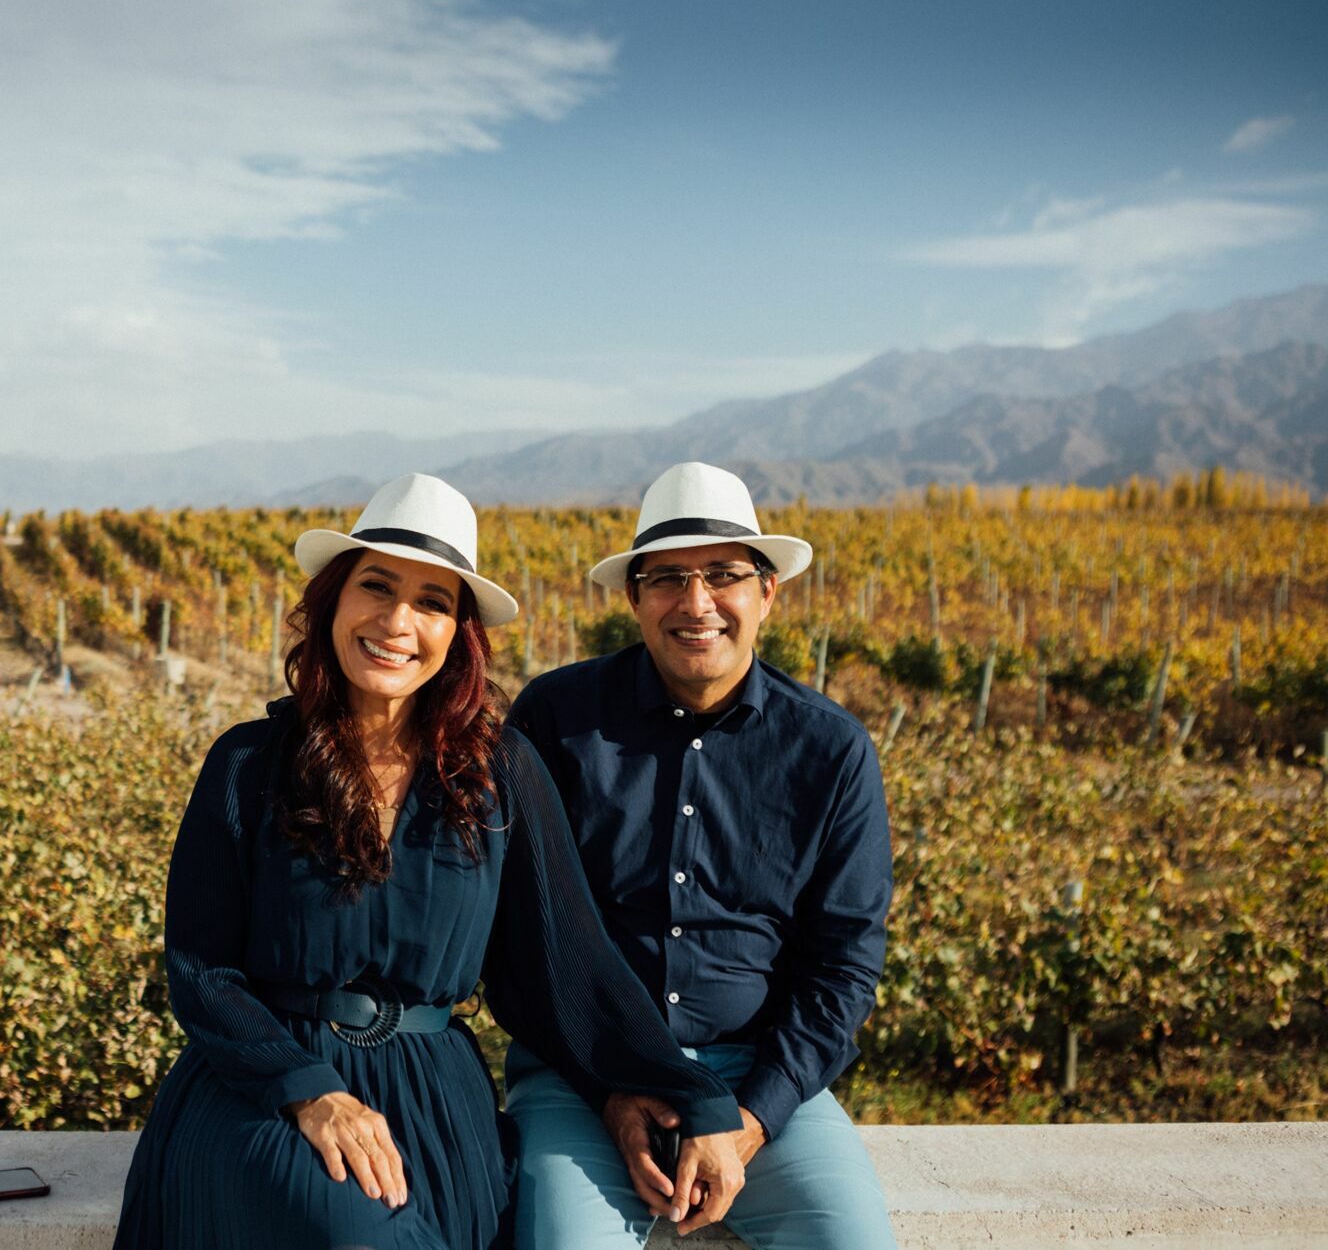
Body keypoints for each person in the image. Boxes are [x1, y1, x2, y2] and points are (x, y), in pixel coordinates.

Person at [114, 473, 744, 1250]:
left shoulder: (501, 772)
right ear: (333, 603)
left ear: (457, 634)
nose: (397, 622)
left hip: (435, 1099)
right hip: (266, 1090)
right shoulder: (247, 764)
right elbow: (201, 971)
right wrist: (307, 1091)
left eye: (432, 603)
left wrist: (691, 1096)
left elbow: (569, 964)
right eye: (376, 587)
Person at [505, 461, 898, 1249]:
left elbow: (844, 965)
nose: (696, 603)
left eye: (723, 575)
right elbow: (518, 941)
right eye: (667, 579)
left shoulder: (830, 750)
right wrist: (611, 1091)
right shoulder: (555, 719)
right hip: (584, 1077)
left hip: (761, 1080)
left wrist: (750, 1120)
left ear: (767, 592)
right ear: (634, 597)